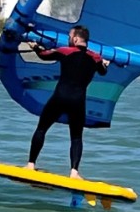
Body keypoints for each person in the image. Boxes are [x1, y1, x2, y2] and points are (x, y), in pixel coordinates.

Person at [25, 25, 110, 179]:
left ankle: (31, 165)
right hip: (78, 101)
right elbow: (103, 71)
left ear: (76, 38)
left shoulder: (66, 51)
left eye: (70, 36)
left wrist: (35, 46)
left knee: (42, 128)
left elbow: (44, 55)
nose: (68, 39)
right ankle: (74, 172)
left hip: (60, 97)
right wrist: (105, 64)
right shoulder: (95, 57)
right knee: (76, 137)